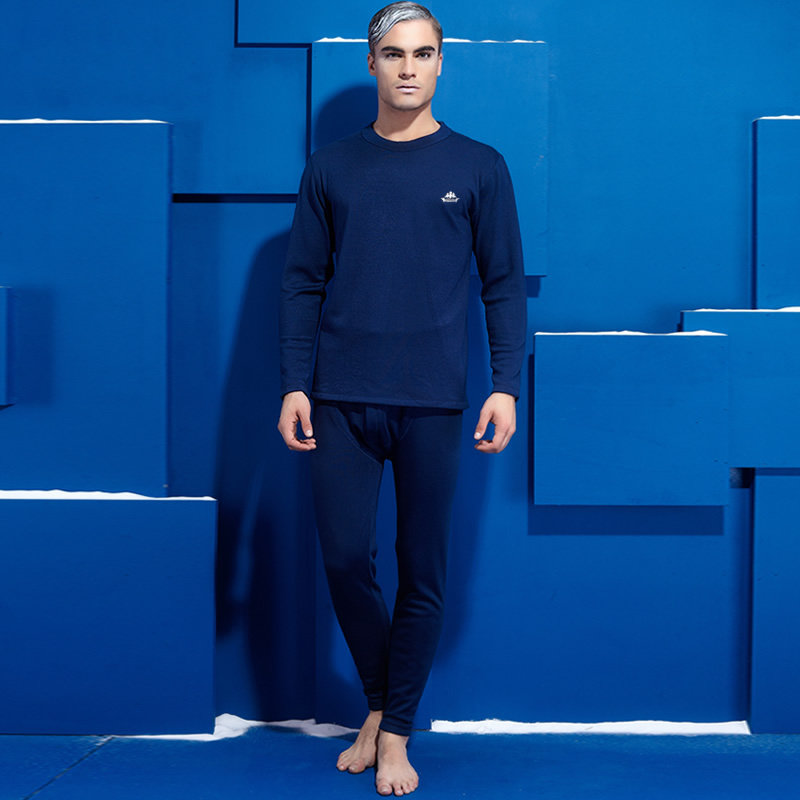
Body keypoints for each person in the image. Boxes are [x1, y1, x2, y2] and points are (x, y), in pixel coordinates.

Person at [277, 2, 526, 795]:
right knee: (347, 559)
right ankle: (383, 705)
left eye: (422, 53)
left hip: (433, 402)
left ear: (441, 62)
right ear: (372, 63)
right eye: (394, 54)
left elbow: (503, 285)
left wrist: (506, 386)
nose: (409, 67)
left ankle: (394, 733)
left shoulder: (480, 166)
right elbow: (302, 283)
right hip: (339, 397)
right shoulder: (331, 168)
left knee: (423, 570)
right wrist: (294, 383)